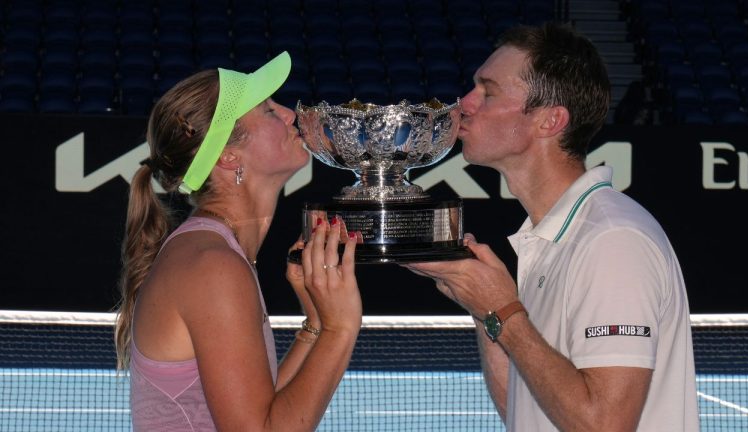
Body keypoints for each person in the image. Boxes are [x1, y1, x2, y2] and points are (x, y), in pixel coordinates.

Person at [405, 23, 699, 431]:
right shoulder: (550, 238)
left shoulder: (612, 240)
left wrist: (502, 310)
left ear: (549, 121)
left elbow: (605, 425)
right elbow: (524, 409)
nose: (464, 105)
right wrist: (484, 312)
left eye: (487, 92)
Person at [113, 51, 363, 431]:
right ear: (229, 157)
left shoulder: (216, 253)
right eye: (267, 110)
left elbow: (261, 407)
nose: (289, 114)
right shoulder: (213, 265)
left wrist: (314, 326)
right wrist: (339, 327)